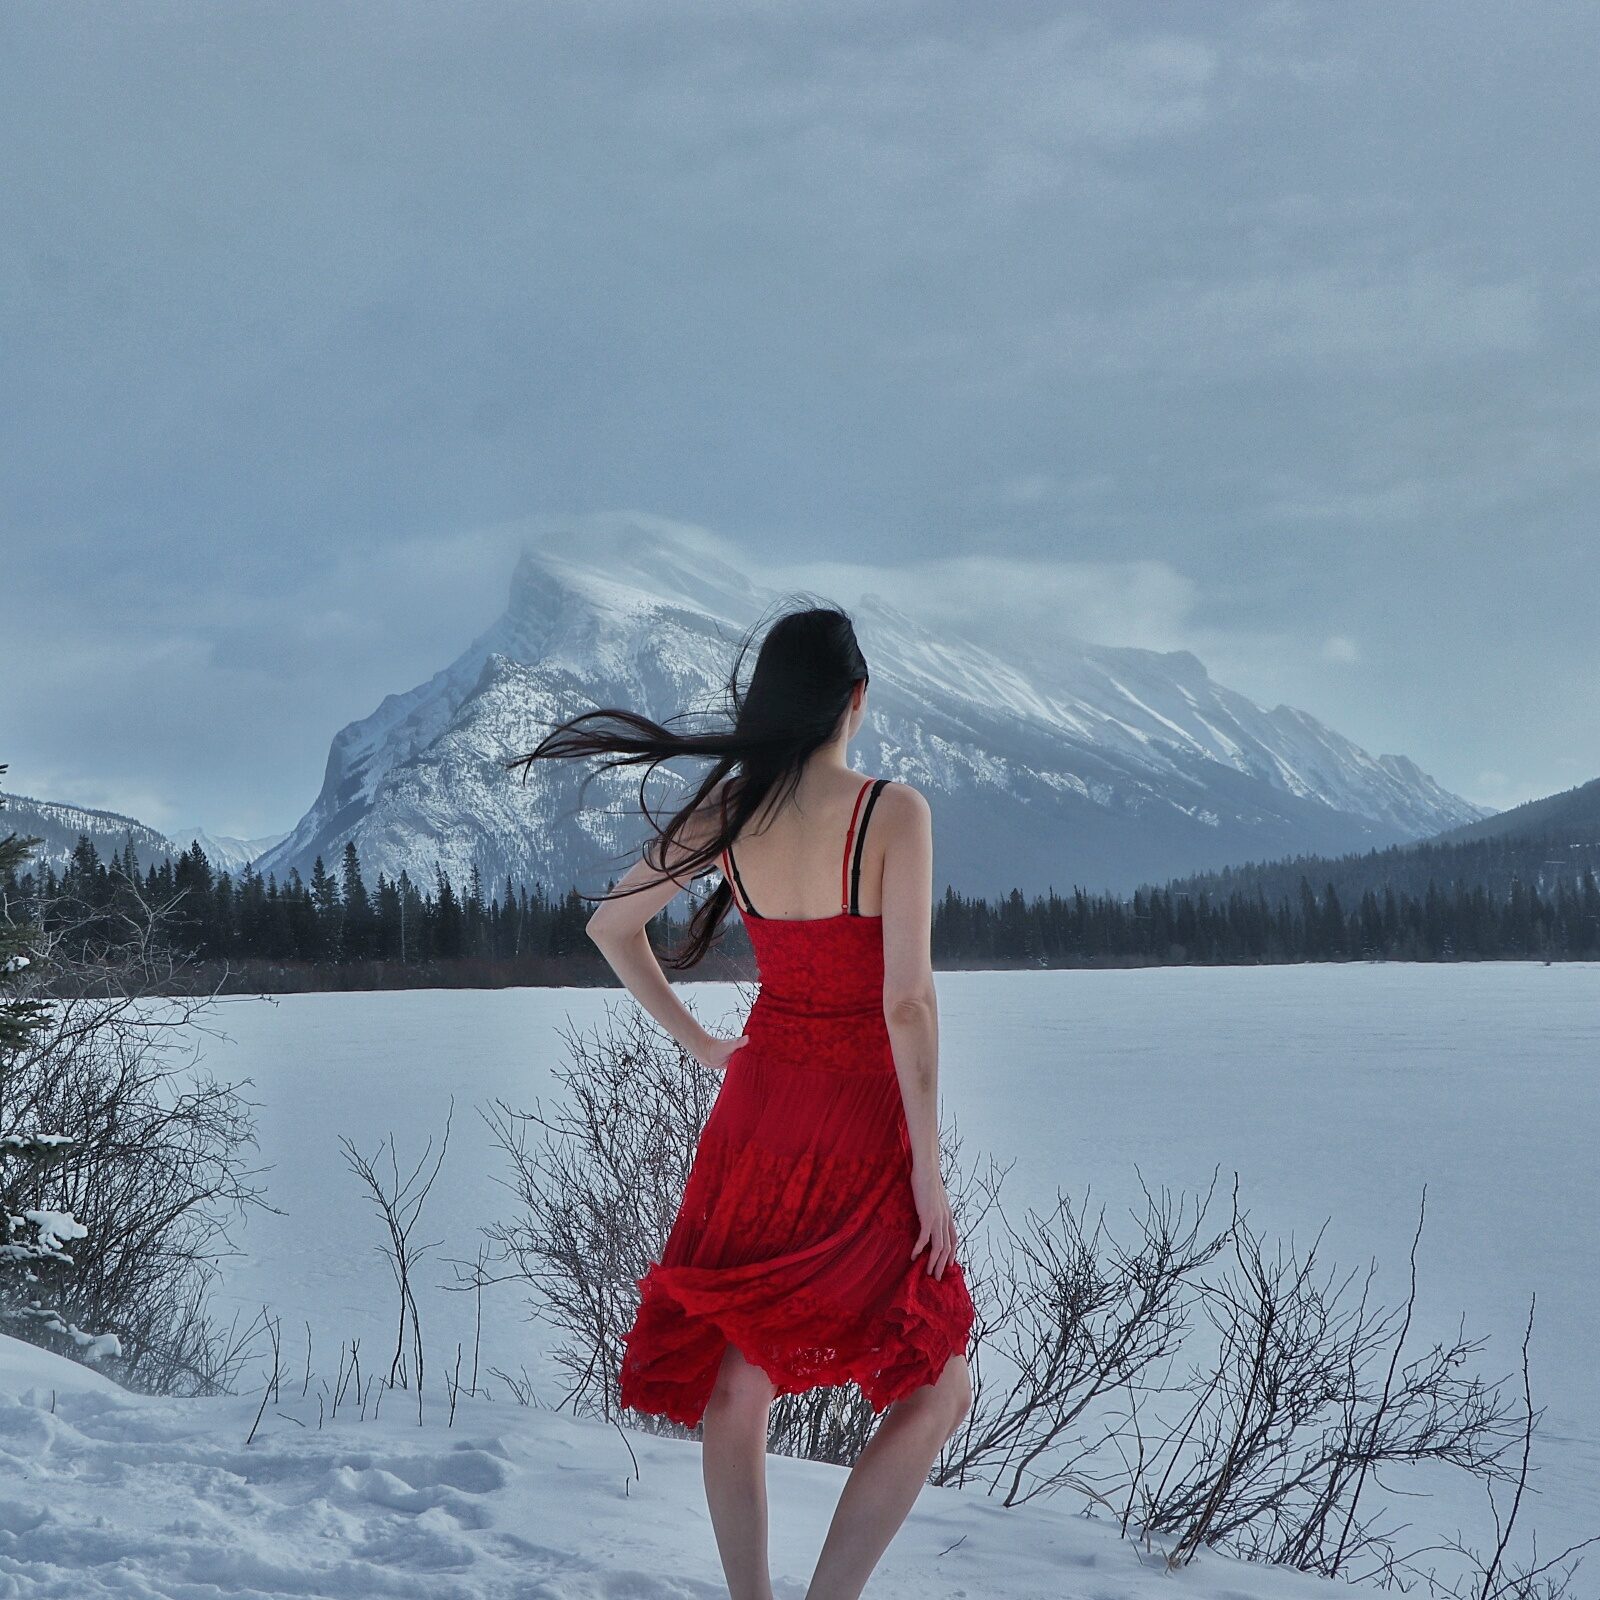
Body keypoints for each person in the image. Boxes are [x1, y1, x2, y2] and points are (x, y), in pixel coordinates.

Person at [507, 600, 974, 1600]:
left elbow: (610, 928)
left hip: (760, 1109)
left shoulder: (731, 811)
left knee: (739, 1374)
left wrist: (707, 1044)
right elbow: (906, 1003)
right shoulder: (891, 811)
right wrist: (928, 1172)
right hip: (857, 1114)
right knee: (938, 1383)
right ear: (855, 699)